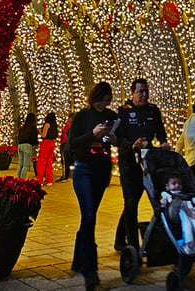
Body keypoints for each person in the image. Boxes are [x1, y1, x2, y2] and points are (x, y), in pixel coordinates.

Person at [69, 82, 119, 291]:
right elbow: (71, 143)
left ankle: (77, 260)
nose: (103, 106)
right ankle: (91, 271)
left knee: (88, 217)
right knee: (89, 216)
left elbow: (118, 140)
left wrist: (114, 139)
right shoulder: (82, 116)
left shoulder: (112, 116)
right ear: (94, 98)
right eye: (101, 101)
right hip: (83, 170)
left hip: (101, 171)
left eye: (107, 102)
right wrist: (93, 133)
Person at [113, 78, 170, 252]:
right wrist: (131, 145)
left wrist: (163, 143)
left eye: (146, 91)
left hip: (148, 160)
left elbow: (160, 132)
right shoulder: (123, 112)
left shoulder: (153, 110)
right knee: (131, 202)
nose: (144, 95)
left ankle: (119, 240)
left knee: (149, 200)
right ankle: (132, 245)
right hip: (129, 162)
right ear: (132, 93)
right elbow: (116, 138)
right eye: (140, 92)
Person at [36, 112, 59, 185]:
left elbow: (43, 135)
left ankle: (40, 180)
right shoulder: (54, 126)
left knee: (41, 161)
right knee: (49, 162)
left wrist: (39, 131)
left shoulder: (47, 124)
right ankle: (49, 180)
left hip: (45, 143)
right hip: (52, 143)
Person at [16, 113, 39, 179]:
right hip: (27, 145)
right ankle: (22, 180)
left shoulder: (23, 127)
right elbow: (34, 138)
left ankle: (17, 179)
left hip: (20, 145)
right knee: (25, 165)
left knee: (20, 164)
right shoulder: (32, 127)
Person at [57, 113, 73, 182]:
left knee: (65, 160)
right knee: (66, 160)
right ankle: (66, 175)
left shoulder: (70, 125)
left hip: (66, 143)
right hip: (66, 143)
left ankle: (65, 175)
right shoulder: (70, 125)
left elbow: (66, 135)